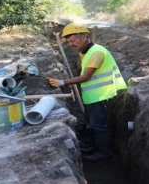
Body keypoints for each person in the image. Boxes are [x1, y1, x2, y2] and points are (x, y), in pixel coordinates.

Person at [48, 23, 128, 162]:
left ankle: (104, 152)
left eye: (73, 41)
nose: (71, 44)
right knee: (92, 122)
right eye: (68, 42)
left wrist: (63, 82)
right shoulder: (85, 52)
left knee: (98, 124)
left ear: (83, 37)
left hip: (102, 94)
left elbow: (86, 77)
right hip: (93, 95)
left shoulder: (96, 52)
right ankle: (94, 147)